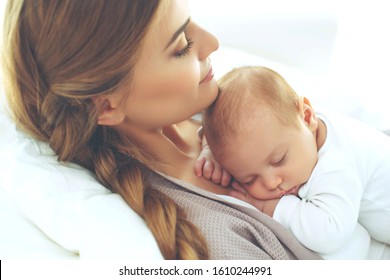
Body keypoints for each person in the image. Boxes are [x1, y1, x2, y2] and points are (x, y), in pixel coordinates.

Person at [0, 0, 322, 259]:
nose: (212, 43)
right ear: (106, 106)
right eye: (182, 45)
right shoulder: (212, 243)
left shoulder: (234, 106)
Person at [197, 65, 390, 259]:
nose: (272, 183)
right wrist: (210, 151)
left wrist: (272, 208)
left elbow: (331, 233)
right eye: (249, 180)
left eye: (279, 160)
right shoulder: (290, 129)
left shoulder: (336, 167)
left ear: (307, 116)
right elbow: (226, 131)